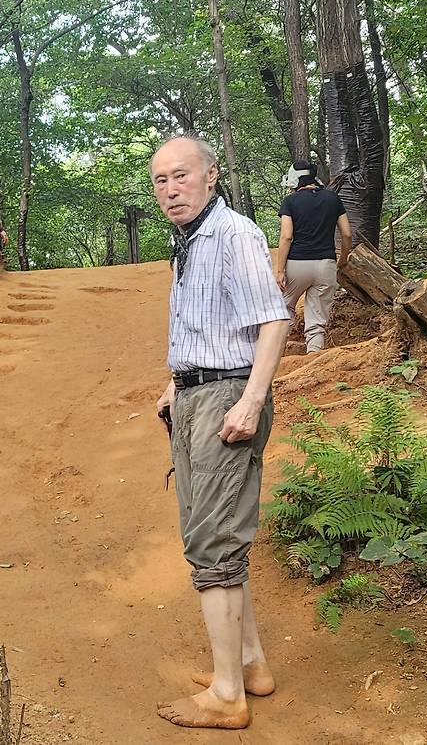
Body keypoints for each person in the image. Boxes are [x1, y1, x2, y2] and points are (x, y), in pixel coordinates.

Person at [153, 136, 290, 730]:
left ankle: (227, 693)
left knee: (211, 545)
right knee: (220, 537)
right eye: (160, 180)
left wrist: (252, 400)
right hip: (196, 393)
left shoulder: (234, 233)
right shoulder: (190, 240)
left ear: (211, 176)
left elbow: (274, 321)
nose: (170, 188)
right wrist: (174, 383)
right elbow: (203, 323)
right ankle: (250, 664)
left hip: (227, 400)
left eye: (181, 175)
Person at [276, 160, 353, 352]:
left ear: (295, 179)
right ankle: (313, 360)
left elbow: (286, 237)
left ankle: (275, 356)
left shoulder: (290, 202)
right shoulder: (332, 198)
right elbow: (347, 234)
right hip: (326, 264)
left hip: (297, 264)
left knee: (284, 307)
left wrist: (279, 270)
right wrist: (343, 259)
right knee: (317, 320)